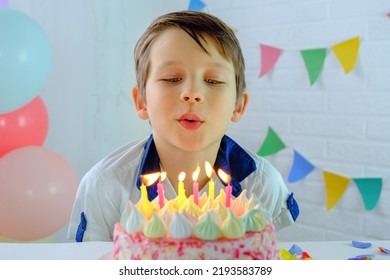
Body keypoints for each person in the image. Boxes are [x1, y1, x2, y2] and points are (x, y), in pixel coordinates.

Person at [67, 10, 299, 242]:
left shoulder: (261, 184)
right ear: (141, 101)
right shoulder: (105, 187)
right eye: (171, 78)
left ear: (238, 105)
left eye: (213, 80)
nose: (192, 94)